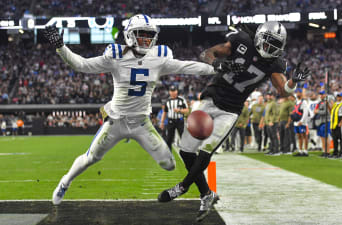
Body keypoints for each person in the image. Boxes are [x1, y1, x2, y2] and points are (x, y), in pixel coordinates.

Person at [44, 14, 216, 205]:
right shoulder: (116, 56)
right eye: (141, 34)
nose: (146, 39)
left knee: (169, 164)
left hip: (142, 124)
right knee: (91, 157)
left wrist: (217, 69)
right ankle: (65, 182)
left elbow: (188, 67)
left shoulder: (158, 58)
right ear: (130, 35)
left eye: (149, 35)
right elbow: (81, 64)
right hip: (116, 122)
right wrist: (61, 47)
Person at [157, 22, 310, 221]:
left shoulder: (274, 63)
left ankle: (182, 187)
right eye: (268, 43)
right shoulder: (241, 41)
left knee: (206, 150)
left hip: (231, 110)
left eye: (275, 45)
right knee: (186, 150)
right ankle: (206, 194)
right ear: (259, 38)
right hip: (211, 99)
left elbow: (282, 91)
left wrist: (293, 82)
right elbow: (206, 53)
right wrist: (217, 63)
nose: (270, 48)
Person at [160, 85, 189, 150]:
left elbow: (187, 110)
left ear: (177, 91)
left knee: (183, 138)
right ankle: (169, 156)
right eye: (171, 91)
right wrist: (162, 122)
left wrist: (179, 110)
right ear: (169, 92)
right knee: (169, 139)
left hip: (180, 121)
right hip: (171, 121)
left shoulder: (181, 100)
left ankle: (187, 154)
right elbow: (165, 112)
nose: (173, 92)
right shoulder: (167, 101)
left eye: (174, 91)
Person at [329, 92, 342, 159]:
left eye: (339, 96)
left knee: (341, 139)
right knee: (335, 139)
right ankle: (335, 152)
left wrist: (341, 122)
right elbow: (331, 112)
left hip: (340, 122)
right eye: (337, 96)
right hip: (334, 122)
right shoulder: (335, 104)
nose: (338, 98)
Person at [314, 90, 331, 157]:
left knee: (326, 137)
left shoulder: (326, 102)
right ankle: (324, 151)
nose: (321, 95)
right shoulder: (319, 102)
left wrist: (317, 111)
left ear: (325, 95)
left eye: (322, 94)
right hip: (320, 122)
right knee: (322, 137)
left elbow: (326, 112)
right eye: (320, 94)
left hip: (325, 121)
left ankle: (327, 151)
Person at [292, 88, 309, 156]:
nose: (297, 93)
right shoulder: (296, 101)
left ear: (301, 93)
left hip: (302, 122)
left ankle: (305, 150)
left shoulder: (303, 102)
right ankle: (300, 150)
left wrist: (302, 121)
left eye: (299, 92)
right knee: (299, 136)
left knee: (304, 135)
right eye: (296, 92)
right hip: (296, 121)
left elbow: (305, 112)